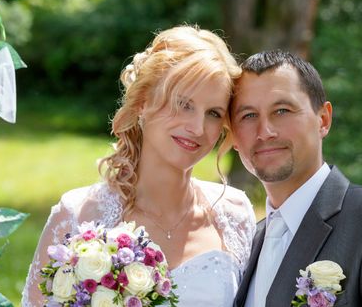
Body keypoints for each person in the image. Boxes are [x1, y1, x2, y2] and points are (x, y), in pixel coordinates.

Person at [22, 25, 256, 306]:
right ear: (143, 102)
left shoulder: (235, 215)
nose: (197, 127)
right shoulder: (77, 214)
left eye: (214, 113)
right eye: (183, 104)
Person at [231, 49, 362, 307]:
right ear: (233, 136)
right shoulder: (246, 244)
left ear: (323, 119)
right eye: (248, 116)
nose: (264, 131)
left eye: (282, 111)